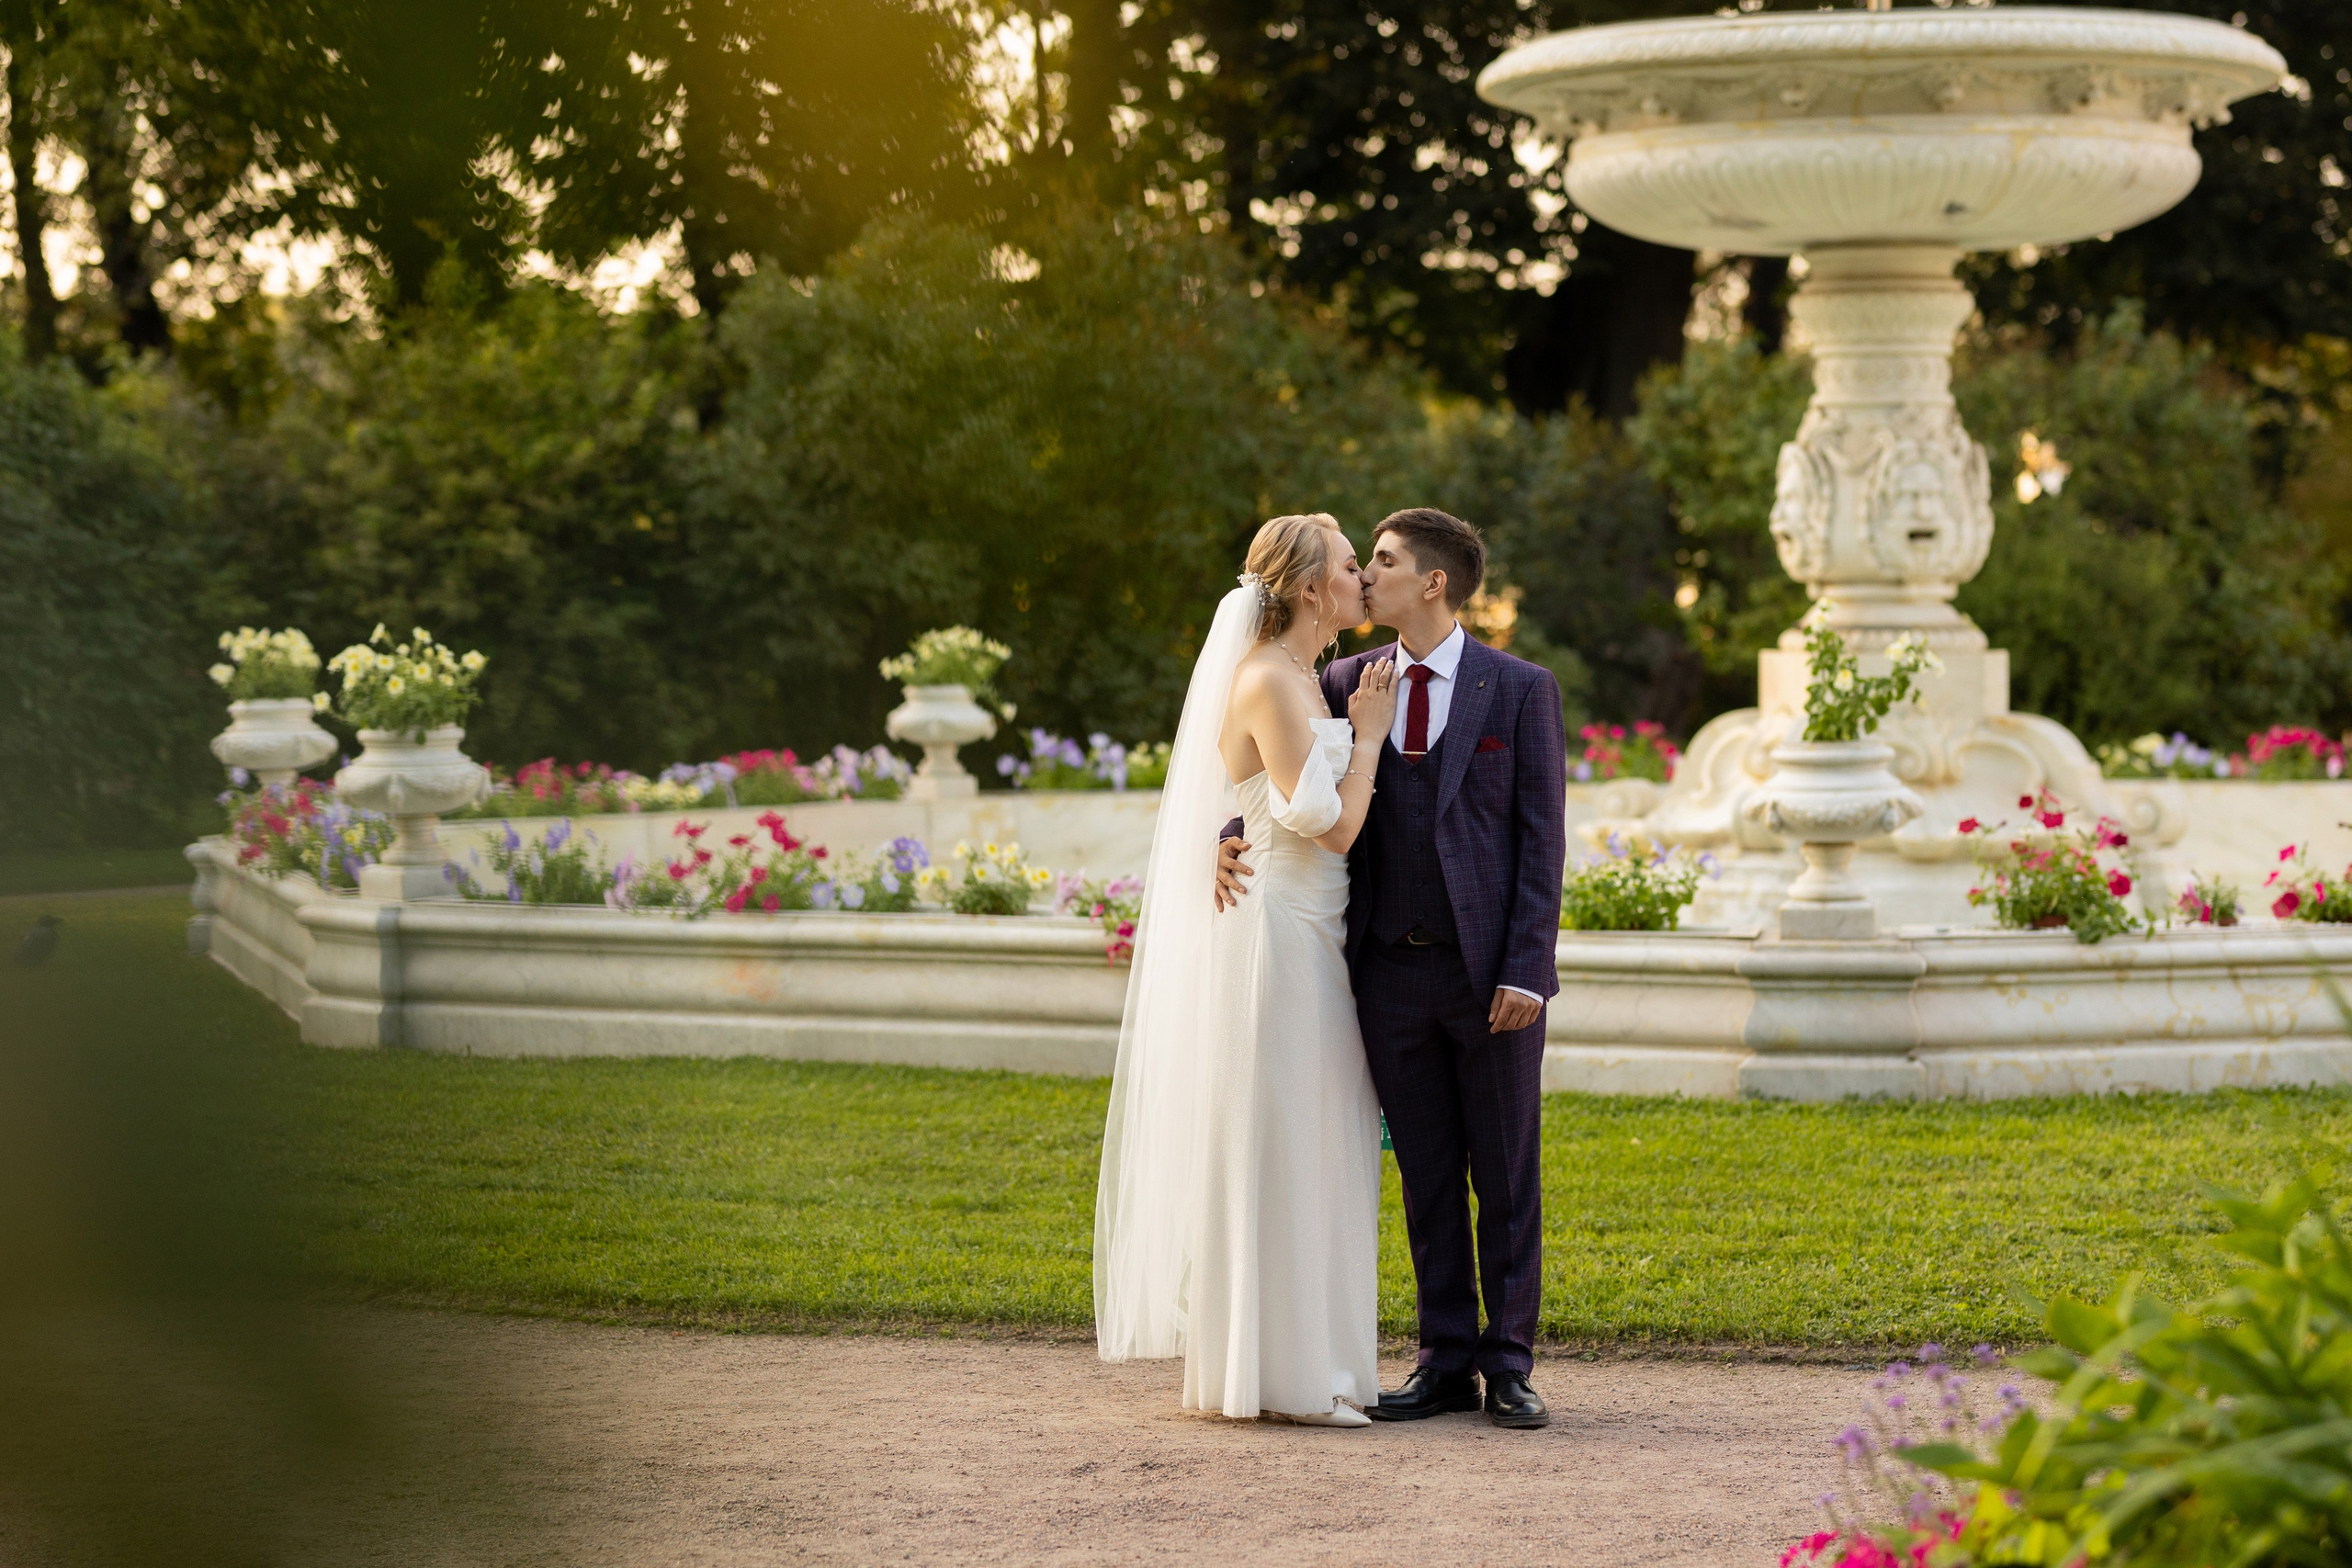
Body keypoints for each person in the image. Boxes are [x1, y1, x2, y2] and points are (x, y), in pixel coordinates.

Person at [1216, 508, 1567, 1429]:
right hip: (1380, 973)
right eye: (1359, 562)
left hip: (1489, 978)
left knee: (1505, 1172)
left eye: (1382, 563)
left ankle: (1511, 1363)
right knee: (1421, 1175)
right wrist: (1226, 837)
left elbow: (1542, 843)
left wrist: (1527, 971)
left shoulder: (1520, 689)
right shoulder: (1333, 677)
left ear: (1433, 583)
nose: (1364, 578)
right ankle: (1445, 1359)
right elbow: (1279, 780)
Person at [1093, 513, 1398, 1425]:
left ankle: (1314, 1364)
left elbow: (1244, 799)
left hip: (1316, 926)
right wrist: (1370, 734)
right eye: (1351, 568)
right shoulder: (1270, 679)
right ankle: (1284, 1379)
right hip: (1276, 933)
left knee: (1319, 1137)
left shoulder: (1303, 675)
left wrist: (1231, 830)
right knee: (1281, 1142)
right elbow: (1330, 823)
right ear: (1311, 591)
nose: (1362, 580)